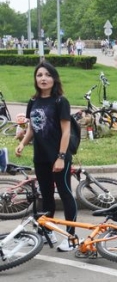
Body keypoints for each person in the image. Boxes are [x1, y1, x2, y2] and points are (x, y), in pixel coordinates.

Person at [14, 62, 77, 252]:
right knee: (46, 195)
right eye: (39, 75)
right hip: (40, 157)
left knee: (65, 194)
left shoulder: (60, 102)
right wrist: (23, 143)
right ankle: (48, 231)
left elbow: (66, 132)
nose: (43, 78)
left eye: (47, 75)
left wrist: (61, 156)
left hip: (58, 156)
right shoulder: (33, 101)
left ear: (54, 78)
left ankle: (71, 236)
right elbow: (33, 127)